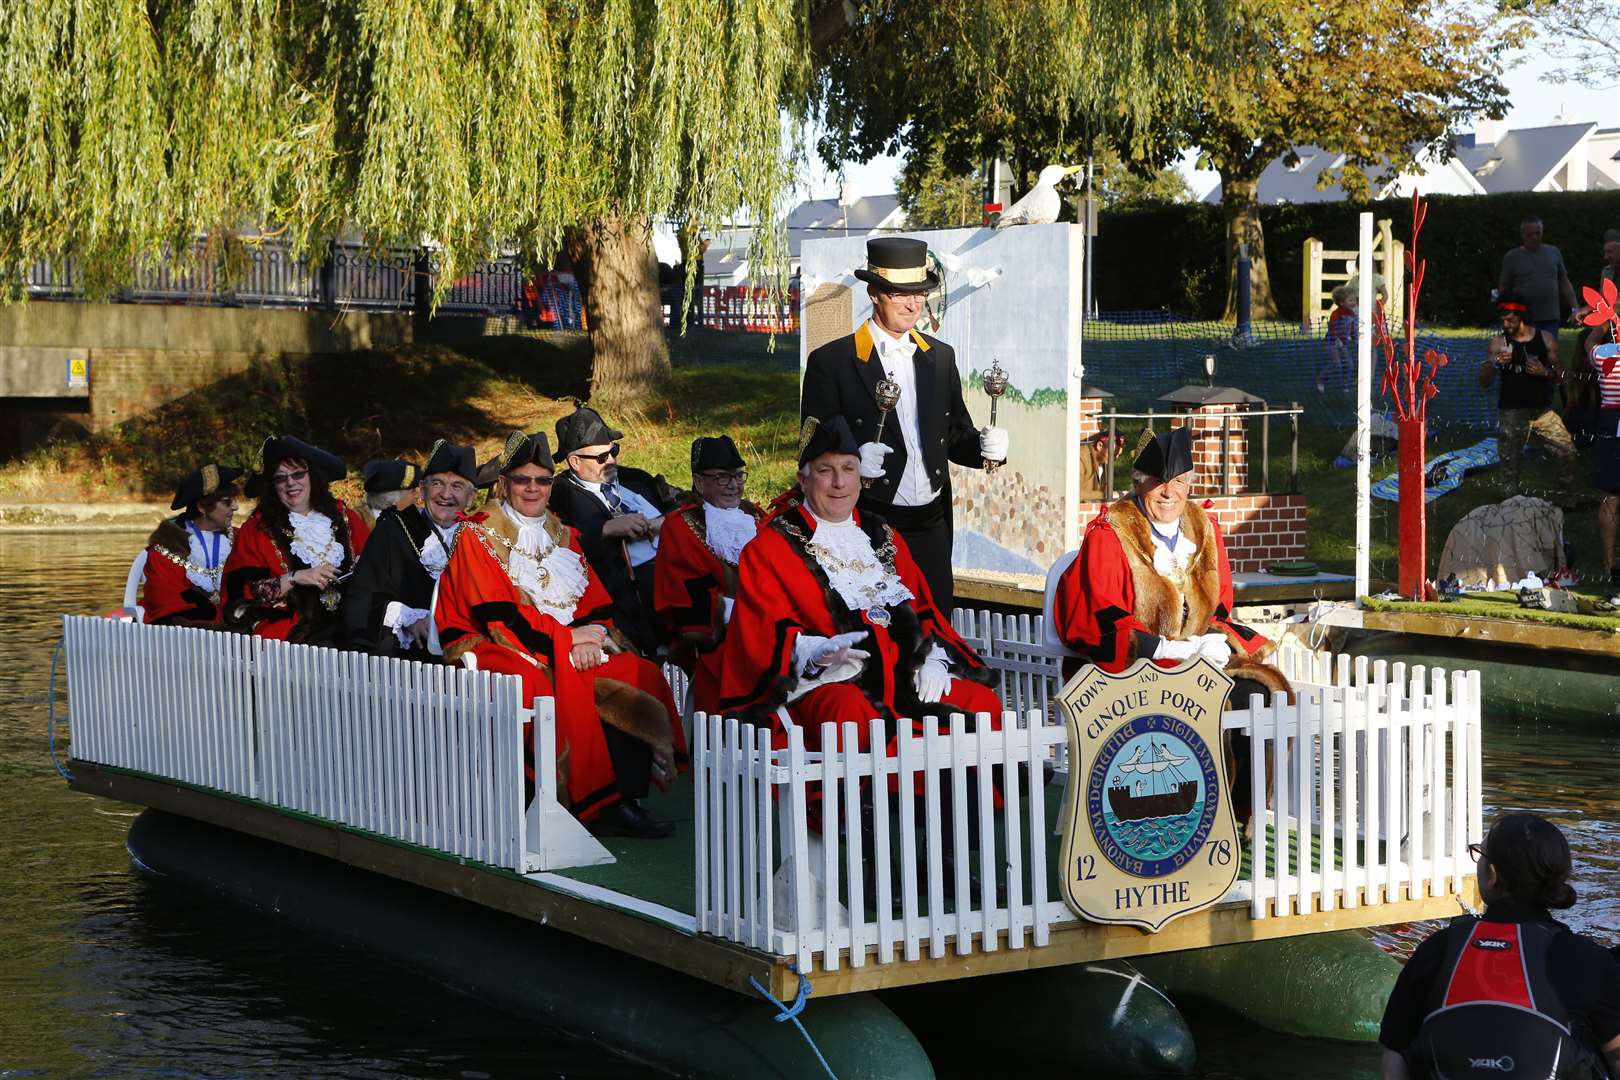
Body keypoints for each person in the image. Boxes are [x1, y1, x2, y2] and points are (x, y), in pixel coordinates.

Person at [434, 430, 684, 839]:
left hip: (562, 640)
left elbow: (596, 602)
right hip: (494, 645)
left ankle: (625, 795)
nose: (533, 488)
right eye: (522, 479)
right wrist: (568, 643)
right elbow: (498, 617)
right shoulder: (476, 535)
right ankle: (590, 801)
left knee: (636, 670)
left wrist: (597, 636)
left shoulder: (564, 534)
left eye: (542, 480)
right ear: (503, 484)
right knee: (549, 685)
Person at [717, 415, 1001, 760]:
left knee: (982, 704)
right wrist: (815, 651)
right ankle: (862, 807)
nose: (839, 483)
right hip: (829, 682)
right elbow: (761, 631)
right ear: (803, 480)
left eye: (849, 469)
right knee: (850, 715)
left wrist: (933, 659)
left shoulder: (883, 535)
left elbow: (923, 608)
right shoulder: (770, 547)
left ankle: (960, 802)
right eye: (825, 471)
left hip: (905, 678)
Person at [1051, 428, 1287, 827]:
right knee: (1206, 699)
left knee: (1258, 695)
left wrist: (1215, 641)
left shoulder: (1204, 529)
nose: (1169, 493)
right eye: (1159, 482)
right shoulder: (1110, 534)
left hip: (1194, 659)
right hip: (1132, 666)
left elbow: (1219, 607)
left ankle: (1234, 817)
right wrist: (1166, 650)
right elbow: (1103, 618)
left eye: (1178, 482)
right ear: (1138, 482)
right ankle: (1181, 819)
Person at [800, 236, 1009, 616]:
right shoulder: (832, 361)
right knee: (881, 633)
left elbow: (954, 435)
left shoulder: (940, 357)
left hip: (932, 522)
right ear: (874, 292)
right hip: (869, 519)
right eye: (900, 294)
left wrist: (984, 447)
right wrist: (852, 459)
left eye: (920, 293)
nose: (914, 304)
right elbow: (811, 447)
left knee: (937, 631)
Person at [1378, 813, 1620, 1079]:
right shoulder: (1587, 960)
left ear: (1491, 875)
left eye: (1480, 854)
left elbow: (1394, 1053)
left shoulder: (1437, 948)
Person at [549, 406, 678, 657]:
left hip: (672, 588)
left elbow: (680, 505)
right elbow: (555, 540)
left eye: (613, 451)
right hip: (623, 602)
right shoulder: (560, 494)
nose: (610, 461)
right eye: (600, 457)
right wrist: (607, 528)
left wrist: (659, 523)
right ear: (574, 461)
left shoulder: (636, 479)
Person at [652, 435, 764, 716]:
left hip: (771, 624)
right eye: (722, 477)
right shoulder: (680, 526)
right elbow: (683, 593)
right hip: (719, 635)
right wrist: (741, 612)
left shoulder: (759, 517)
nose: (734, 485)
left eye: (738, 476)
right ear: (700, 483)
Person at [222, 436, 369, 642]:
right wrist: (294, 577)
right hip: (296, 632)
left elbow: (375, 565)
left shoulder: (344, 516)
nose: (291, 483)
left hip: (353, 623)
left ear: (312, 477)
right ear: (272, 485)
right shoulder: (257, 529)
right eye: (281, 478)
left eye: (298, 474)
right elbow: (241, 599)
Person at [341, 440, 477, 657]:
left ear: (471, 498)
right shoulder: (393, 530)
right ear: (422, 490)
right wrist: (409, 619)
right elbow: (362, 600)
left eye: (457, 486)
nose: (445, 494)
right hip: (410, 659)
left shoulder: (480, 536)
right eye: (438, 483)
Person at [1480, 291, 1578, 494]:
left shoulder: (1546, 339)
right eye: (1503, 320)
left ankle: (1564, 500)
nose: (1505, 325)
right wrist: (1494, 363)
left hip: (1542, 411)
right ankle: (1511, 505)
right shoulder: (1498, 343)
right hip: (1511, 411)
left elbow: (1562, 377)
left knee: (1567, 451)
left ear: (1522, 316)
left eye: (1509, 320)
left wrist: (1545, 372)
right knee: (1509, 466)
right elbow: (1484, 383)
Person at [141, 463, 242, 625]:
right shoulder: (166, 550)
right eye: (227, 502)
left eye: (234, 500)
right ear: (202, 507)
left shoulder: (240, 539)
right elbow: (168, 605)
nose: (236, 507)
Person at [1500, 215, 1577, 337]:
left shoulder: (1553, 253)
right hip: (1523, 318)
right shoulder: (1512, 257)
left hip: (1550, 317)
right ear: (1523, 234)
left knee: (1549, 352)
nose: (1534, 238)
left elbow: (1564, 282)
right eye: (1530, 234)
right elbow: (1504, 287)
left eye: (1538, 233)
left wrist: (1574, 308)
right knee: (1524, 353)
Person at [357, 458, 421, 531]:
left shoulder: (415, 519)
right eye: (413, 491)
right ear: (392, 499)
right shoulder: (356, 525)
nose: (418, 495)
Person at [1318, 283, 1359, 394]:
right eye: (1350, 300)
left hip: (1343, 343)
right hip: (1332, 342)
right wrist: (1336, 339)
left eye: (1354, 300)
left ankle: (1345, 386)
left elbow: (1352, 328)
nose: (1354, 303)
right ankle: (1321, 381)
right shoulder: (1336, 314)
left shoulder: (1352, 314)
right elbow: (1332, 327)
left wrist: (1355, 337)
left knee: (1349, 364)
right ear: (1341, 302)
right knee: (1336, 364)